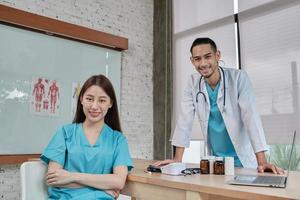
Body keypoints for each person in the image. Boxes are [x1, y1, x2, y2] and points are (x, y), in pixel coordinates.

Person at [154, 38, 283, 174]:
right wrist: (177, 159)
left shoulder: (238, 78)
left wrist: (262, 162)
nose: (203, 64)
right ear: (192, 61)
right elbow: (184, 120)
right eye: (197, 59)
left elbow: (251, 118)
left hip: (242, 160)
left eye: (207, 57)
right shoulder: (193, 83)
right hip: (215, 162)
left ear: (217, 55)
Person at [40, 74, 133, 199]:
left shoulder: (118, 140)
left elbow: (118, 182)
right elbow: (53, 178)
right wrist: (102, 185)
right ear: (81, 99)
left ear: (110, 103)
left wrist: (71, 176)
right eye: (89, 99)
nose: (94, 106)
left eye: (102, 100)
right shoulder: (65, 133)